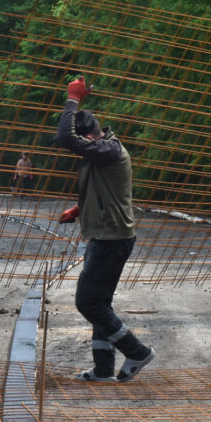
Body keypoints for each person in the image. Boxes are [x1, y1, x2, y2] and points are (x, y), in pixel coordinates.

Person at [54, 75, 155, 382]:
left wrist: (73, 98)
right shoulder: (97, 153)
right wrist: (78, 210)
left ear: (88, 136)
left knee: (88, 301)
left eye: (79, 142)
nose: (74, 149)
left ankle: (137, 351)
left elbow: (67, 138)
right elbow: (102, 189)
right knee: (101, 302)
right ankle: (103, 369)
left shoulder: (110, 150)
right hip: (106, 235)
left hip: (111, 239)